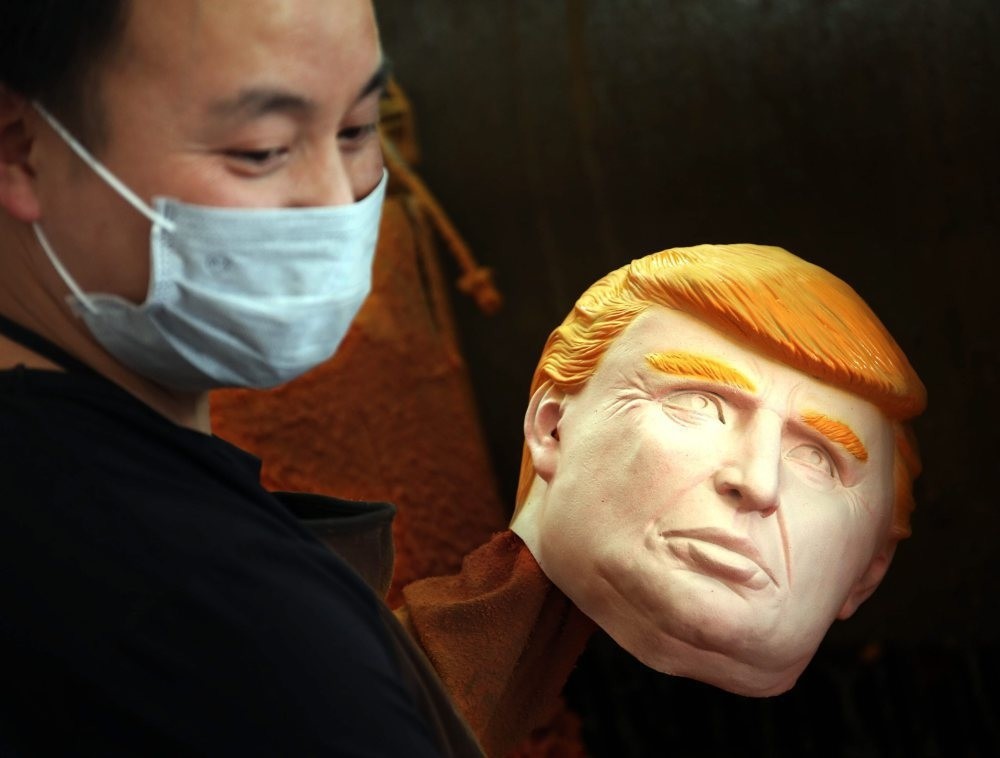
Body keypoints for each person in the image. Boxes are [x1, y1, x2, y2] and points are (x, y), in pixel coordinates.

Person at [0, 1, 481, 754]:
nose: (337, 202)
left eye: (358, 129)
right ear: (20, 149)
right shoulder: (209, 604)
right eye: (263, 150)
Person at [399, 243, 925, 753]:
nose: (759, 483)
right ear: (553, 428)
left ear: (870, 571)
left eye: (817, 458)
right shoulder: (373, 679)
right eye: (699, 402)